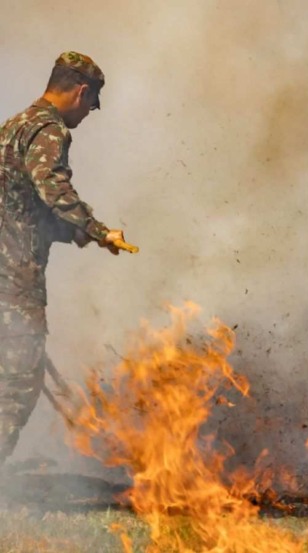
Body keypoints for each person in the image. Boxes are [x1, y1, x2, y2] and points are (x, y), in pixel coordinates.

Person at [0, 52, 127, 465]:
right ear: (81, 92)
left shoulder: (14, 126)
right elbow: (52, 189)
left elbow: (19, 205)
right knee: (17, 383)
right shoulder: (49, 130)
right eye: (92, 105)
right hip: (13, 279)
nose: (90, 113)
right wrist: (97, 229)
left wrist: (68, 231)